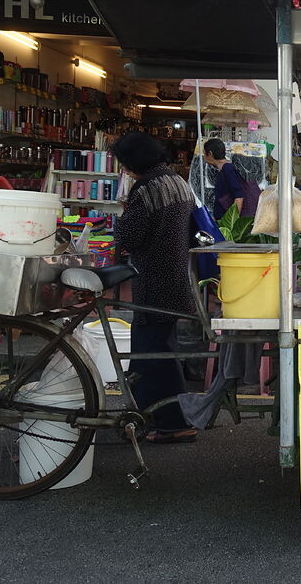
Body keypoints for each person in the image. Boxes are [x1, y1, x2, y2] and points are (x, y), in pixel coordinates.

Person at [112, 132, 197, 443]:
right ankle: (167, 418)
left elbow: (130, 237)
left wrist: (120, 221)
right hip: (175, 275)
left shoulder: (146, 188)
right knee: (161, 351)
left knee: (150, 355)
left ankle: (169, 423)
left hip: (153, 280)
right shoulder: (176, 182)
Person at [203, 138, 260, 220]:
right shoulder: (223, 169)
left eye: (204, 153)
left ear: (210, 154)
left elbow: (239, 197)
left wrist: (232, 222)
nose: (204, 156)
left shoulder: (227, 169)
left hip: (227, 224)